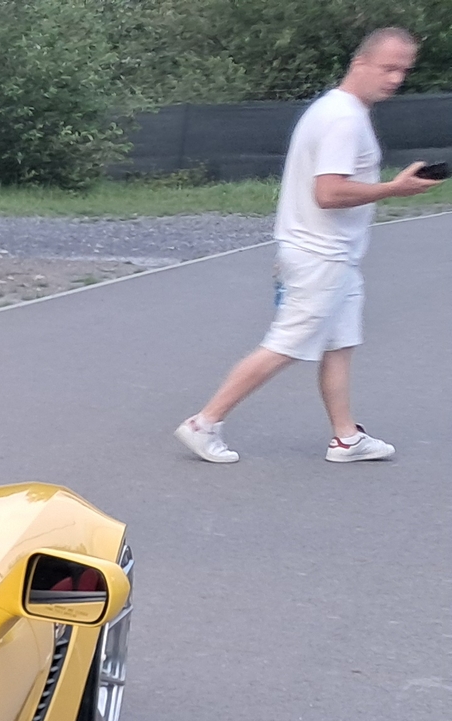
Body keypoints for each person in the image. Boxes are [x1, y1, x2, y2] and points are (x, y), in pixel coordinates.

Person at [175, 27, 438, 465]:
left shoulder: (338, 110)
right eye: (388, 68)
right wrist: (393, 189)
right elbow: (329, 193)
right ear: (360, 63)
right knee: (286, 345)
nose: (395, 79)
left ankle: (346, 438)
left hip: (334, 256)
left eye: (403, 70)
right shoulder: (343, 119)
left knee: (340, 342)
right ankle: (204, 423)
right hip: (320, 255)